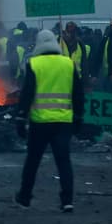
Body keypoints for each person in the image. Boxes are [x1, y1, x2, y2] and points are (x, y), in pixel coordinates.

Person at [14, 29, 83, 212]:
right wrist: (78, 117)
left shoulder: (34, 64)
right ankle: (67, 200)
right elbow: (78, 93)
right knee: (64, 161)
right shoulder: (68, 64)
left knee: (33, 161)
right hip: (63, 122)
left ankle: (25, 198)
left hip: (40, 122)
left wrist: (20, 118)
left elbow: (27, 93)